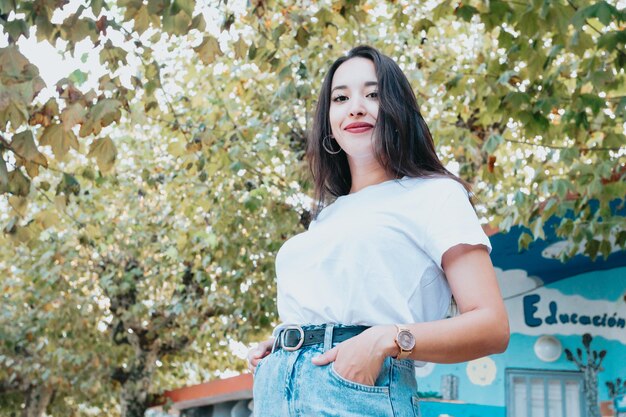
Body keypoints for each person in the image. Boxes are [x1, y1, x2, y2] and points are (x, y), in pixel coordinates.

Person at [247, 45, 509, 417]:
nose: (356, 106)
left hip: (356, 390)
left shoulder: (434, 194)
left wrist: (384, 339)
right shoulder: (325, 217)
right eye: (341, 98)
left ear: (398, 110)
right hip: (277, 392)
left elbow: (492, 326)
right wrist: (282, 345)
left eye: (373, 94)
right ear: (329, 120)